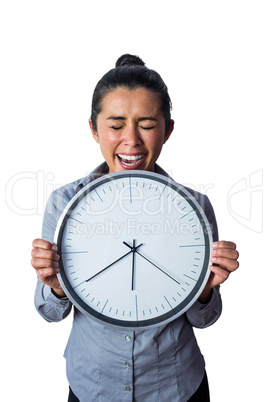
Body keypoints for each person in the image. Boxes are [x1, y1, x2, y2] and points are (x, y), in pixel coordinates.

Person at [31, 54, 239, 402]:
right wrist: (57, 288)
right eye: (115, 125)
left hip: (176, 386)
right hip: (92, 386)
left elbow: (205, 319)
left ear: (167, 130)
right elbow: (50, 312)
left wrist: (205, 290)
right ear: (94, 129)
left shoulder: (196, 209)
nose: (131, 140)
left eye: (146, 123)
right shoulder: (63, 204)